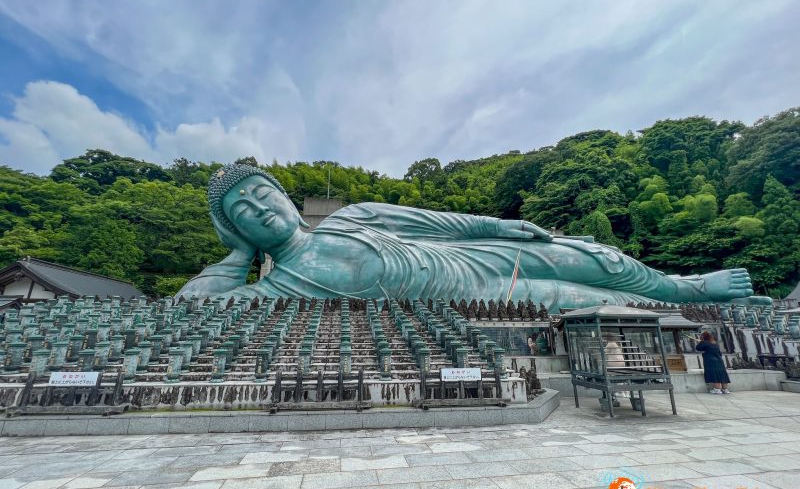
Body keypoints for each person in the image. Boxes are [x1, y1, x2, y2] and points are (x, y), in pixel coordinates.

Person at [177, 163, 764, 311]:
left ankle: (685, 286)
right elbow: (187, 310)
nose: (261, 210)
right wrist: (235, 258)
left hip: (471, 255)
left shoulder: (352, 215)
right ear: (236, 226)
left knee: (594, 258)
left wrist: (497, 224)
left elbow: (438, 222)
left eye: (263, 195)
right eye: (243, 212)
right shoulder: (283, 285)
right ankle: (695, 303)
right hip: (476, 300)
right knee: (597, 303)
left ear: (284, 194)